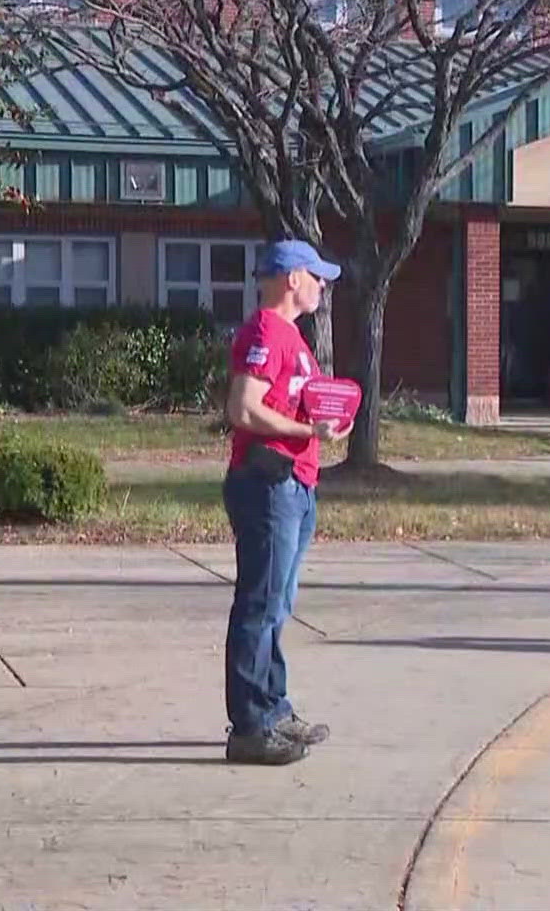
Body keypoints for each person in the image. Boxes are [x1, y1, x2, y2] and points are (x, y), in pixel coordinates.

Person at [220, 240, 350, 765]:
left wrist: (329, 420)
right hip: (267, 483)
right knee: (260, 604)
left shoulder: (292, 338)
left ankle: (273, 708)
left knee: (277, 605)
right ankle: (249, 726)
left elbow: (306, 403)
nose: (323, 285)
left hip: (295, 484)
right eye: (318, 276)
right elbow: (243, 408)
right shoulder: (265, 333)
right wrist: (306, 428)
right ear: (293, 278)